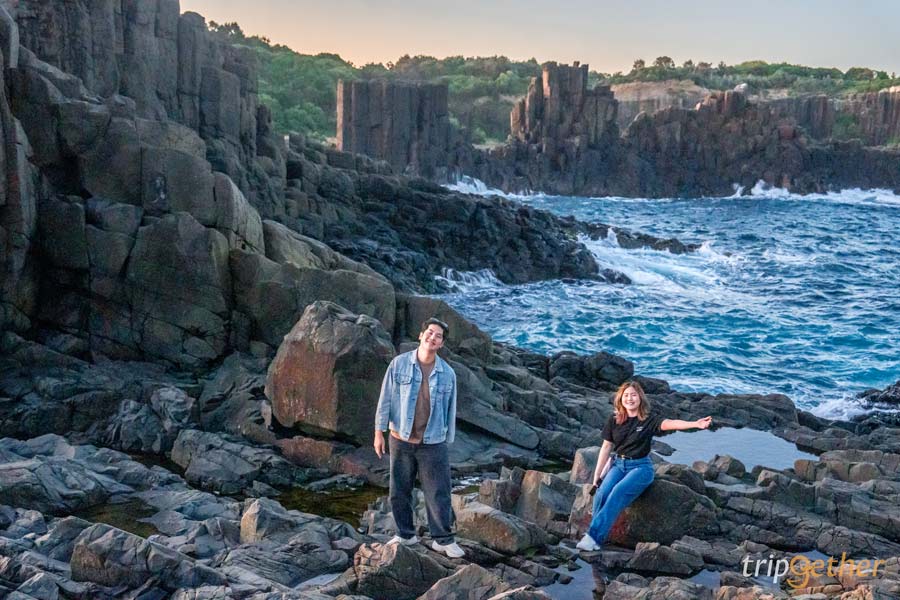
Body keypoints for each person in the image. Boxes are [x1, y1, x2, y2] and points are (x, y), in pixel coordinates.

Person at [576, 380, 712, 552]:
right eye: (626, 395)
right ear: (620, 399)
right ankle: (596, 537)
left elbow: (670, 423)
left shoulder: (648, 420)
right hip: (618, 464)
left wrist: (695, 424)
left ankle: (593, 537)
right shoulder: (614, 419)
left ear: (640, 398)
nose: (630, 398)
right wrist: (597, 475)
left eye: (633, 395)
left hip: (641, 468)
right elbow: (606, 447)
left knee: (617, 492)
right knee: (601, 494)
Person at [373, 317, 464, 558]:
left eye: (438, 336)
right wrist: (378, 433)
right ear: (421, 334)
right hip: (399, 437)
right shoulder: (398, 364)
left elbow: (450, 409)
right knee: (399, 489)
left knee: (438, 491)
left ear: (441, 344)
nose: (433, 338)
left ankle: (442, 539)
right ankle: (405, 534)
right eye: (430, 332)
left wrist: (447, 439)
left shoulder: (448, 374)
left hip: (433, 442)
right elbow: (385, 400)